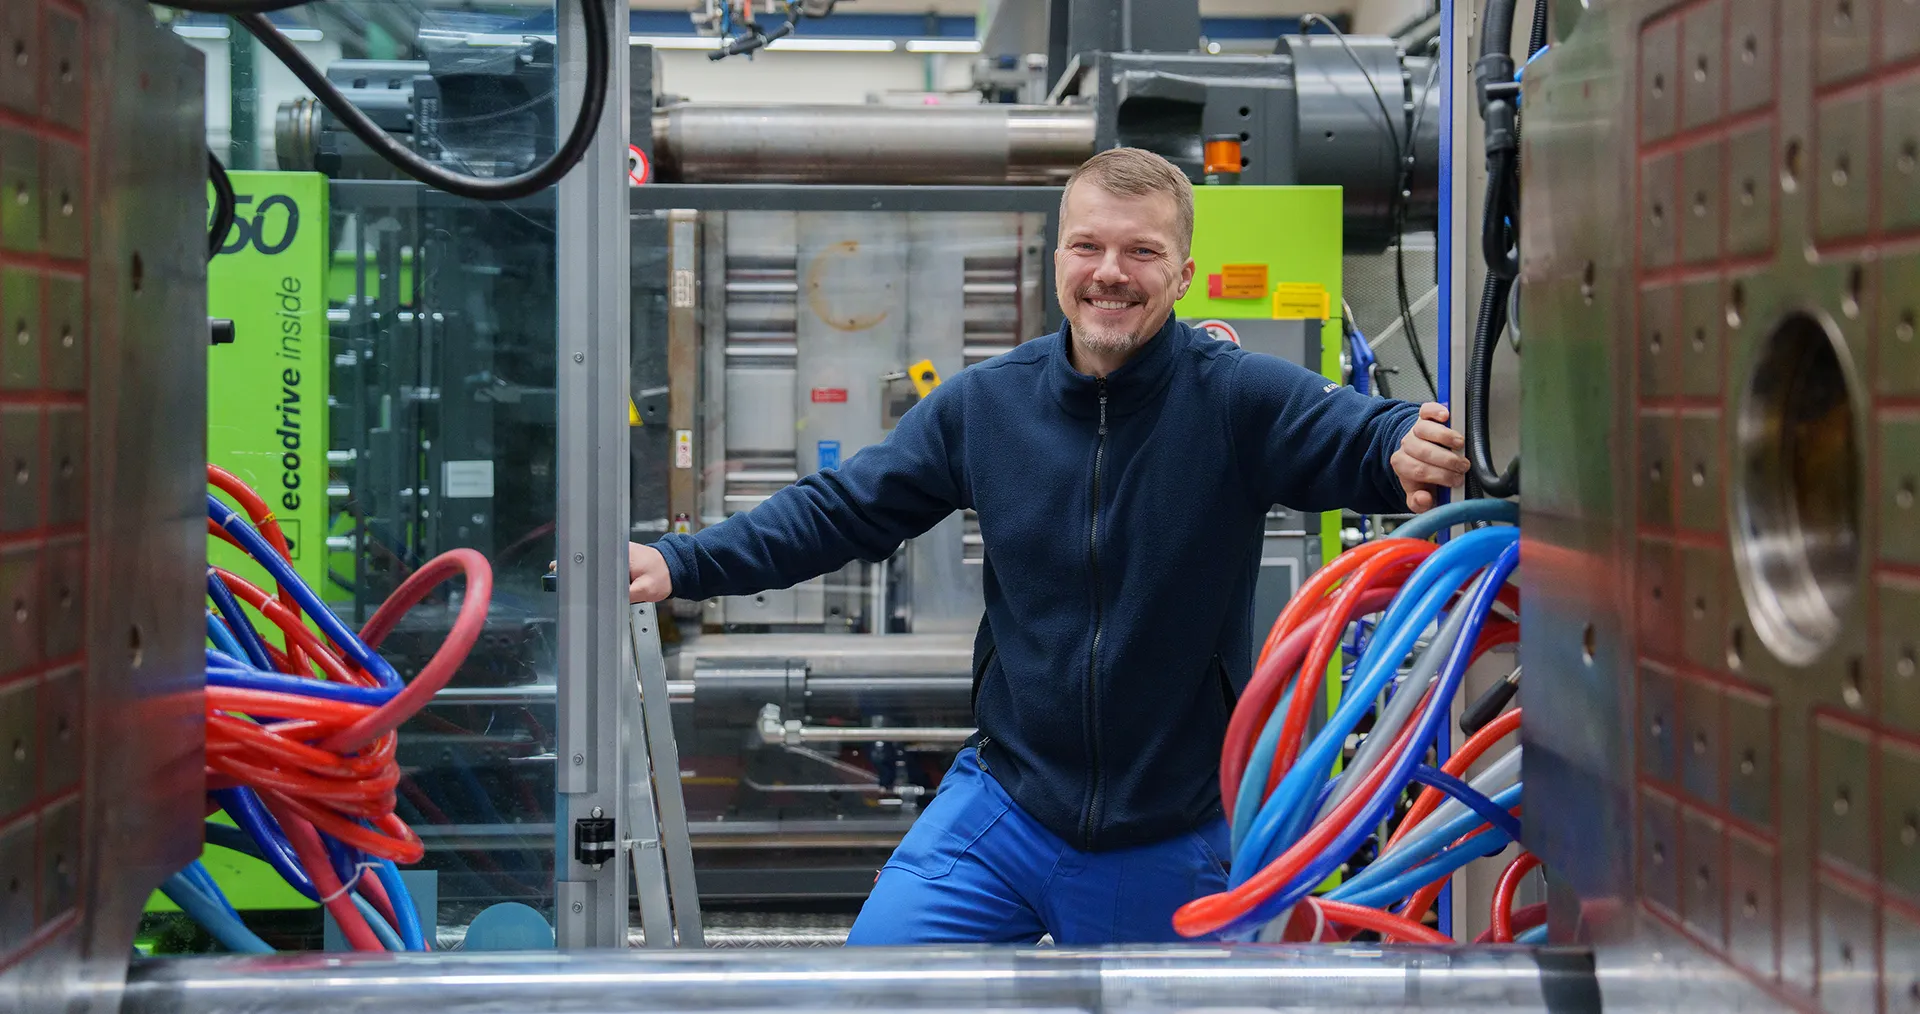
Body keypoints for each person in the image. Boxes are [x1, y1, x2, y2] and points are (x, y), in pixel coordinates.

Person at [626, 148, 1470, 945]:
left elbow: (1358, 432)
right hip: (1006, 806)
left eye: (1142, 251)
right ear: (1057, 265)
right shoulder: (988, 407)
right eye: (1088, 246)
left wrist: (1404, 444)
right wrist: (681, 563)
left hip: (1167, 829)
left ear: (1182, 276)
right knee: (872, 986)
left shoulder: (1234, 397)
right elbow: (842, 509)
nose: (1110, 271)